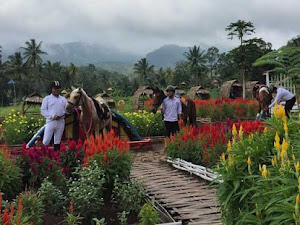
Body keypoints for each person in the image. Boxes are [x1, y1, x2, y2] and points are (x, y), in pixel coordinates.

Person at [41, 81, 67, 150]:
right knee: (46, 140)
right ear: (51, 89)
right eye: (55, 88)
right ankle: (43, 155)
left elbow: (67, 110)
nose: (56, 90)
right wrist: (52, 116)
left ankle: (56, 156)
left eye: (58, 88)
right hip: (50, 122)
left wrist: (63, 114)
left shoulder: (63, 99)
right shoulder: (47, 99)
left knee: (57, 140)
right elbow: (43, 110)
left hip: (61, 121)